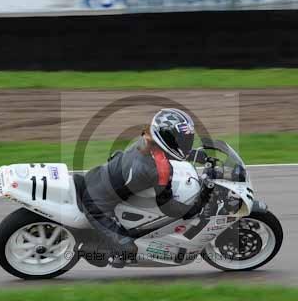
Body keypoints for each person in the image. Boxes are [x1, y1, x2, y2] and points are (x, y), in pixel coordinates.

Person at [80, 108, 209, 268]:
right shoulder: (159, 169)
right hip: (95, 204)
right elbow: (169, 208)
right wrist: (197, 207)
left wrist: (197, 155)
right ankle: (87, 249)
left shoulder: (147, 138)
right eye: (183, 139)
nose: (186, 142)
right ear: (167, 138)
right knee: (129, 249)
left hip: (96, 175)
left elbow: (171, 150)